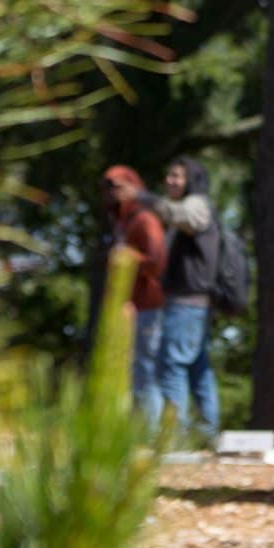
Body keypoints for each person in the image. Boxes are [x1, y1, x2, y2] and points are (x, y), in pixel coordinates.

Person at [139, 157, 223, 438]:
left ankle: (176, 439)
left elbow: (180, 215)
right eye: (168, 175)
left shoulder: (196, 204)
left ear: (192, 180)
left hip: (186, 304)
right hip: (193, 305)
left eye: (177, 176)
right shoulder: (192, 207)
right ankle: (208, 434)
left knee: (172, 366)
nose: (170, 181)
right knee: (199, 370)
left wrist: (143, 198)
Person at [100, 165, 168, 420]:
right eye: (108, 188)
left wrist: (126, 258)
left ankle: (151, 439)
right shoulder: (122, 223)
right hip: (129, 307)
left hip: (147, 306)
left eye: (118, 186)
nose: (112, 193)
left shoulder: (144, 219)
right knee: (129, 372)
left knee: (145, 371)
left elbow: (156, 260)